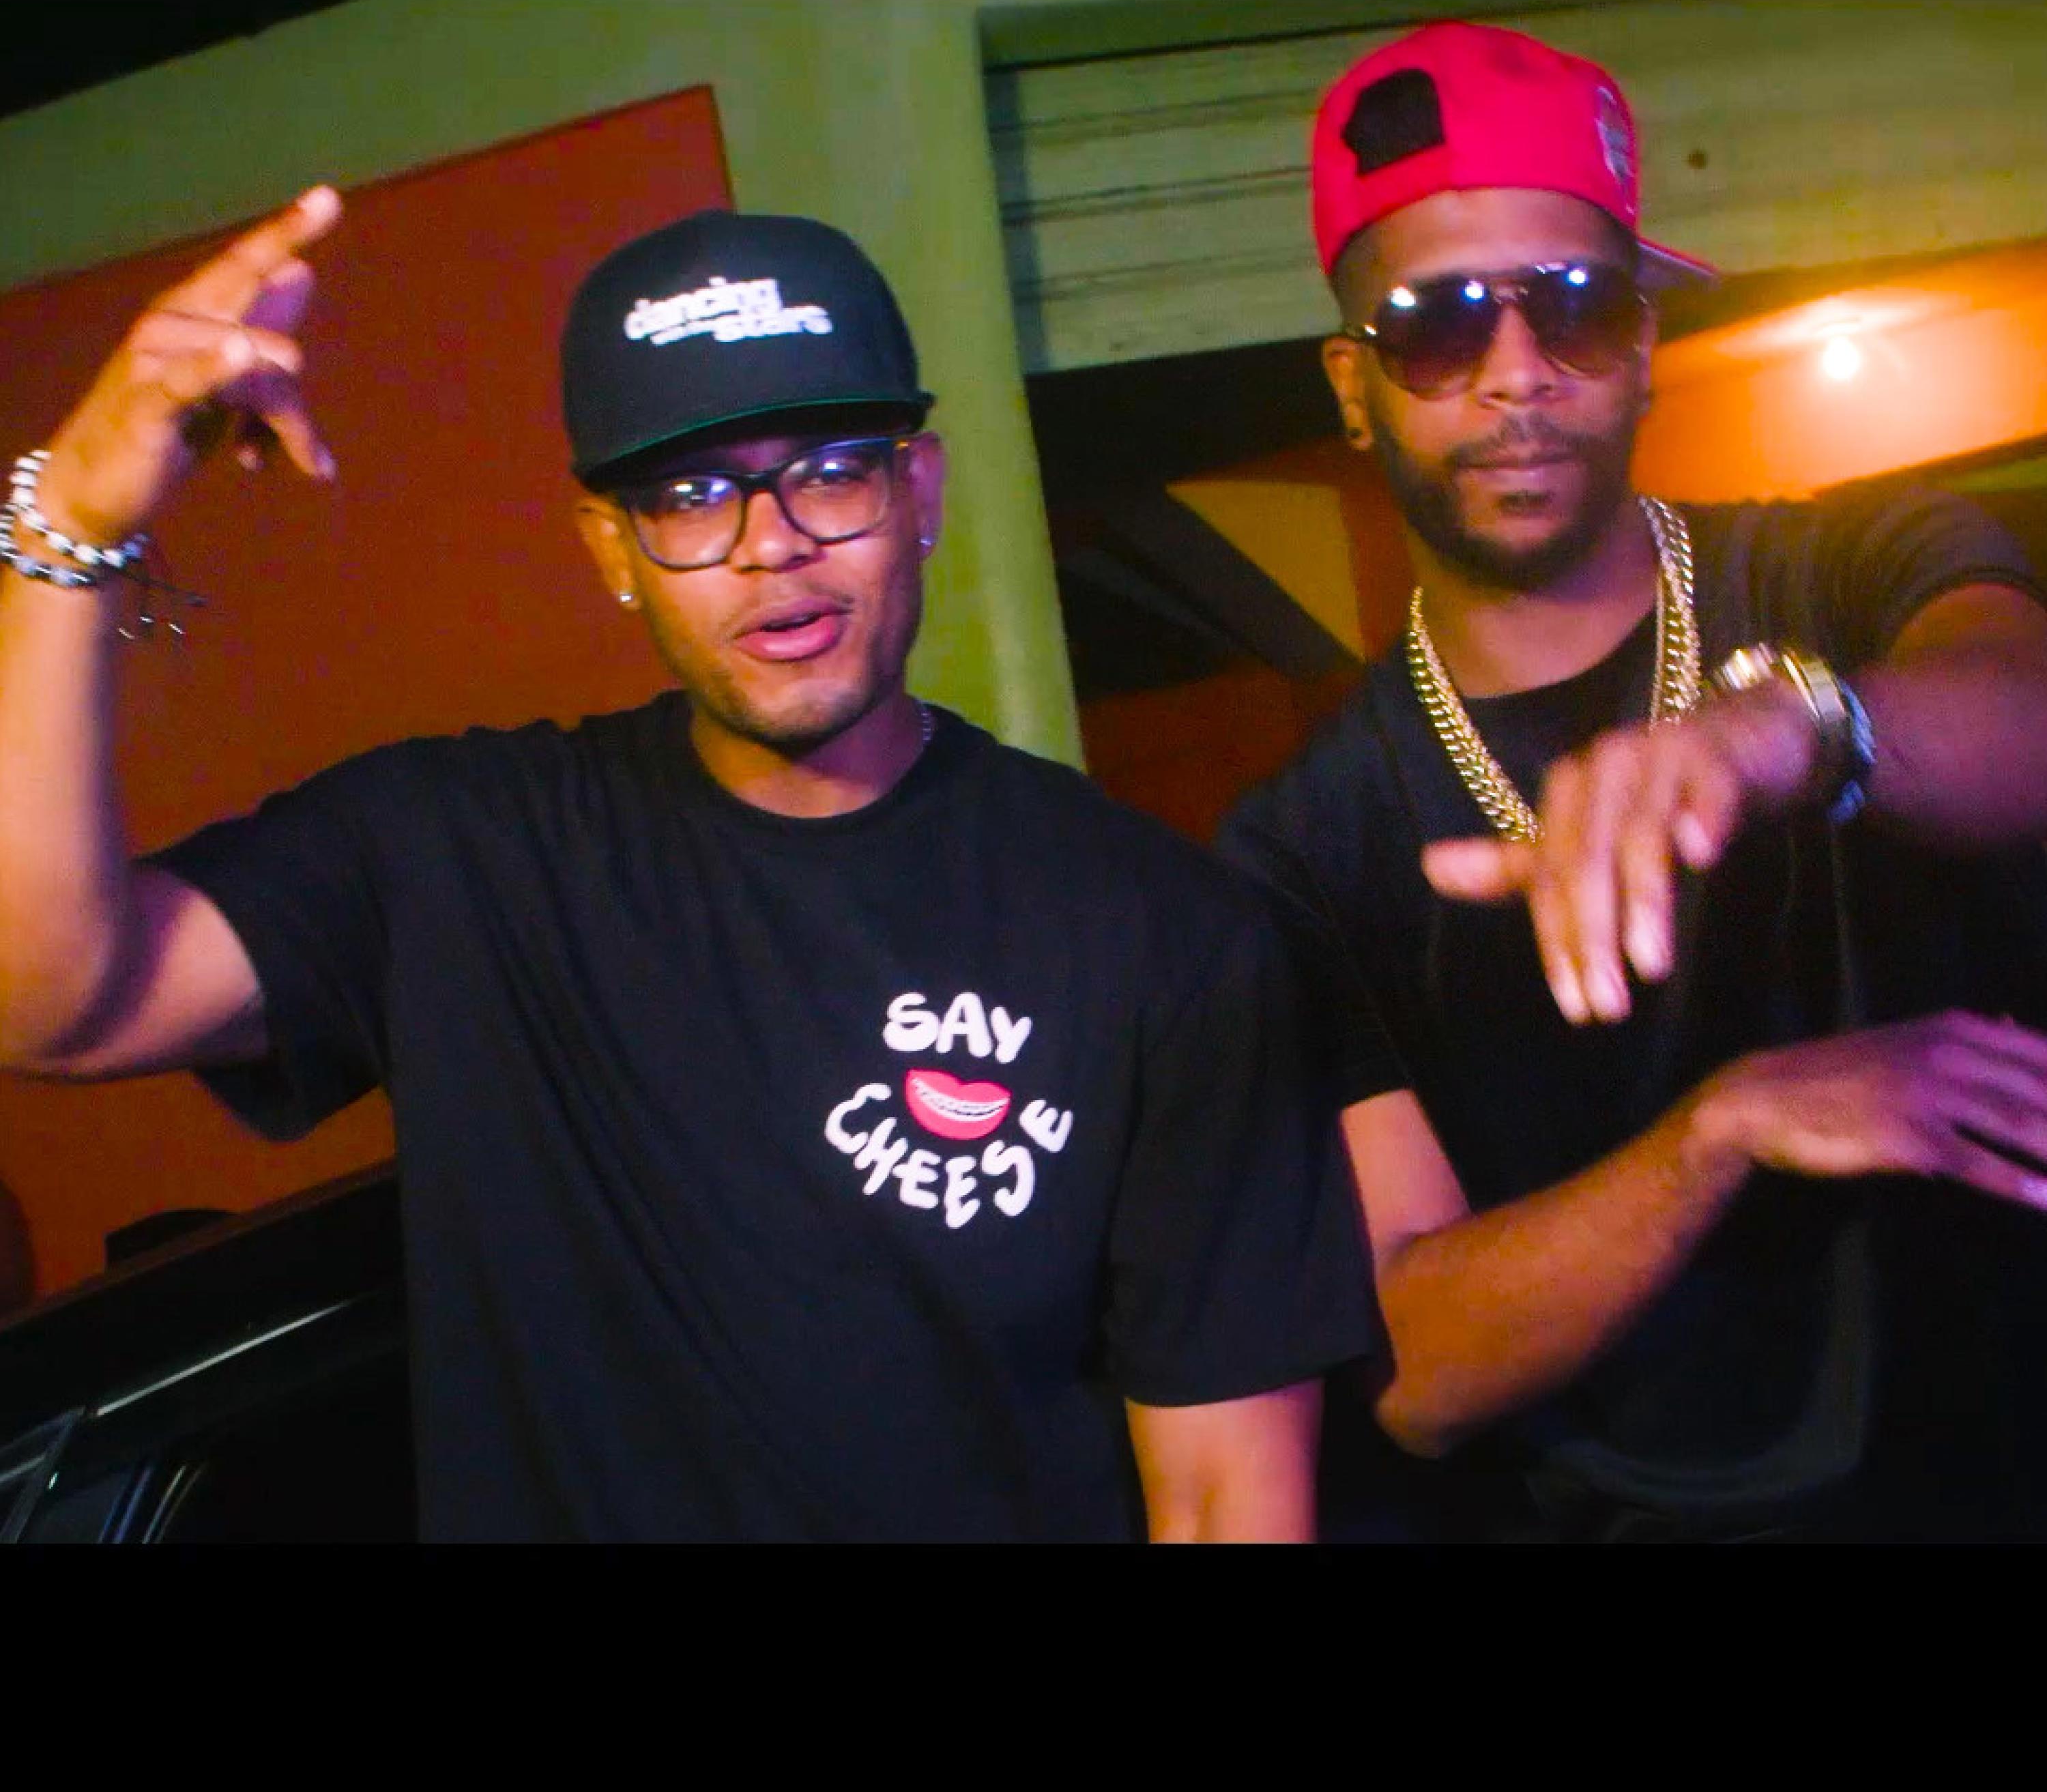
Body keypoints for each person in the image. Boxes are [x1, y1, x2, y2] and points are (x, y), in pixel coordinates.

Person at [0, 192, 1376, 1542]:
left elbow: (1226, 1498)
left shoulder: (1159, 929)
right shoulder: (455, 856)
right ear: (613, 549)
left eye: (828, 471)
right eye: (691, 495)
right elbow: (54, 1007)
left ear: (921, 492)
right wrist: (72, 522)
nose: (771, 545)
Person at [1217, 20, 2047, 1542]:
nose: (1517, 375)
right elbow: (1414, 1366)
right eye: (1437, 326)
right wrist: (1723, 1131)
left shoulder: (1856, 567)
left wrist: (1796, 731)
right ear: (1354, 383)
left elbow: (2026, 724)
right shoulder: (1305, 846)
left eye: (1576, 308)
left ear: (1647, 342)